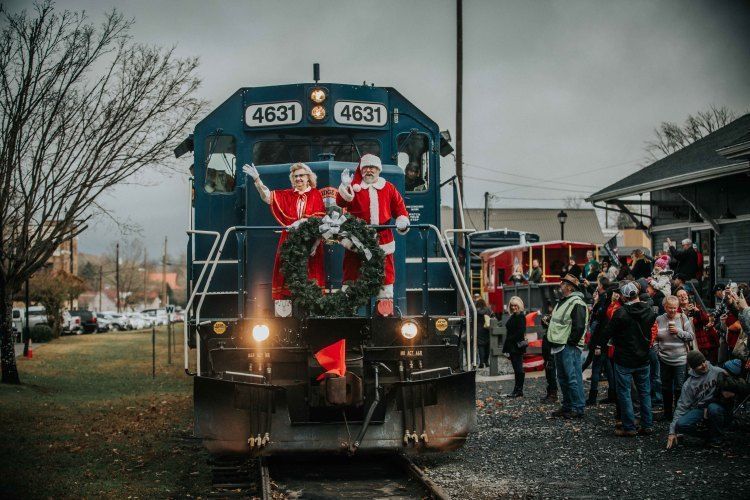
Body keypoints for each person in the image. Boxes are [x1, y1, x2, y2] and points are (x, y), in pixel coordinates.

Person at [243, 163, 325, 309]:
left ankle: (312, 307)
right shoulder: (287, 195)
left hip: (310, 243)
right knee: (286, 273)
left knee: (311, 274)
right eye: (295, 176)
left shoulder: (316, 195)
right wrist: (257, 180)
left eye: (301, 175)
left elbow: (318, 220)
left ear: (308, 178)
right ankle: (286, 308)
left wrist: (313, 242)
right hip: (289, 241)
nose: (298, 178)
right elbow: (268, 197)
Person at [337, 154, 410, 299]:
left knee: (385, 273)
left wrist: (402, 221)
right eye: (366, 167)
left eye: (373, 167)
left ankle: (384, 306)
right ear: (361, 169)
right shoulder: (354, 189)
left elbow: (400, 209)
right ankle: (347, 309)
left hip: (383, 239)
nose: (369, 170)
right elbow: (341, 202)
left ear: (378, 170)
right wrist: (345, 186)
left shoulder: (389, 188)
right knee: (351, 271)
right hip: (356, 238)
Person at [605, 281, 657, 436]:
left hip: (624, 358)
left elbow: (608, 332)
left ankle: (629, 427)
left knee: (625, 393)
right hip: (643, 356)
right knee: (644, 392)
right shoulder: (648, 310)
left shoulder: (621, 313)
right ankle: (647, 424)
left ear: (624, 296)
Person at [666, 351, 730, 449]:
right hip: (700, 409)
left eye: (704, 361)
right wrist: (672, 431)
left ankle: (718, 438)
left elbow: (733, 390)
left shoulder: (718, 372)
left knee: (713, 408)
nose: (704, 365)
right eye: (699, 365)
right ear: (693, 368)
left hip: (719, 406)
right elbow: (681, 407)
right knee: (681, 424)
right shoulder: (689, 384)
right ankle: (711, 435)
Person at [547, 274, 588, 418]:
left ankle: (577, 407)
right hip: (561, 344)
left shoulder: (576, 302)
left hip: (567, 345)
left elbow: (579, 326)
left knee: (572, 378)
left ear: (570, 287)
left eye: (564, 283)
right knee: (564, 378)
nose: (561, 285)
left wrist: (571, 342)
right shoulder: (565, 301)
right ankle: (568, 406)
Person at [652, 295, 695, 420]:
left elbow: (691, 336)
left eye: (675, 308)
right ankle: (667, 413)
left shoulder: (682, 317)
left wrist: (678, 331)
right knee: (665, 387)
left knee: (679, 387)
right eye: (670, 308)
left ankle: (679, 413)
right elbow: (654, 336)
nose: (672, 310)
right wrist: (657, 350)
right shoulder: (659, 319)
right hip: (664, 358)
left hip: (680, 359)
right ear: (665, 307)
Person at [679, 289, 719, 364]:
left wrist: (697, 311)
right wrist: (686, 312)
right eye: (680, 295)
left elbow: (705, 321)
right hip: (684, 343)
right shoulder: (676, 311)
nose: (683, 297)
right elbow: (679, 325)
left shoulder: (696, 308)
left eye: (684, 294)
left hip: (697, 342)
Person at [503, 296, 527, 397]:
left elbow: (521, 332)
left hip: (516, 347)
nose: (513, 307)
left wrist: (510, 339)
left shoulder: (520, 316)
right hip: (513, 346)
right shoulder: (514, 316)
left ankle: (518, 390)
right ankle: (517, 390)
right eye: (512, 306)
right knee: (517, 369)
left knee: (518, 369)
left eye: (515, 305)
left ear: (519, 305)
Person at [540, 301, 558, 402]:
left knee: (551, 374)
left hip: (550, 353)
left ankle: (553, 394)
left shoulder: (554, 320)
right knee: (548, 374)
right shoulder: (550, 318)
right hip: (547, 354)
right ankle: (550, 393)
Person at [476, 299, 494, 368]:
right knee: (487, 346)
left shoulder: (476, 311)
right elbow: (493, 318)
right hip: (487, 330)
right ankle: (486, 362)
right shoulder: (488, 310)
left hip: (479, 330)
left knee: (481, 346)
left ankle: (481, 363)